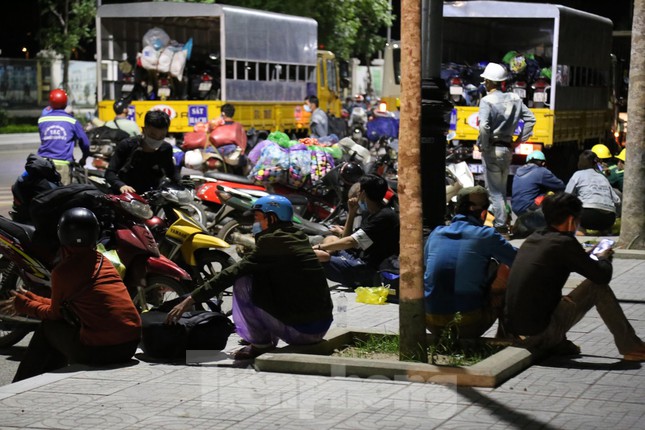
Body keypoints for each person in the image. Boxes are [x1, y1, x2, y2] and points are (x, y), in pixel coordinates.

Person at [166, 195, 333, 360]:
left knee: (243, 281)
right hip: (320, 326)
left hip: (302, 333)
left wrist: (191, 299)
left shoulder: (272, 242)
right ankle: (265, 336)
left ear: (272, 218)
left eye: (257, 218)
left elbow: (231, 273)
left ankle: (261, 345)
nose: (255, 223)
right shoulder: (296, 236)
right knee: (258, 276)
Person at [0, 207, 141, 382]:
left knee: (49, 327)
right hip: (129, 346)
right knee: (59, 328)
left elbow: (54, 313)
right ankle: (41, 380)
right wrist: (31, 298)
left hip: (105, 351)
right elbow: (65, 305)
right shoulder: (103, 262)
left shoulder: (64, 271)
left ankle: (23, 382)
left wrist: (24, 305)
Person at [504, 192, 645, 361]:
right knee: (596, 288)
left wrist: (586, 257)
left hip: (515, 332)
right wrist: (604, 258)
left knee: (565, 298)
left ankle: (558, 343)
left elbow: (562, 262)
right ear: (572, 220)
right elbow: (601, 277)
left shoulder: (534, 239)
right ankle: (632, 347)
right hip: (539, 334)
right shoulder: (564, 242)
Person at [424, 186, 517, 338]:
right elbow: (518, 261)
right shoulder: (486, 235)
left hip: (432, 322)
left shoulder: (436, 233)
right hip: (468, 324)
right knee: (505, 269)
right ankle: (506, 337)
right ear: (483, 212)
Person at [477, 62, 536, 234]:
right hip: (507, 149)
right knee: (501, 190)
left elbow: (484, 127)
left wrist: (485, 145)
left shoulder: (487, 101)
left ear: (489, 82)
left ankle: (501, 226)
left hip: (493, 149)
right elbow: (531, 120)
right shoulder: (515, 99)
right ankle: (504, 220)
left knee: (494, 191)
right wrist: (518, 141)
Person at [314, 174, 399, 288]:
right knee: (331, 239)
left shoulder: (384, 217)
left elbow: (351, 242)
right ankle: (328, 258)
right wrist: (351, 213)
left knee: (315, 254)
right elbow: (348, 240)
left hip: (367, 270)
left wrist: (320, 247)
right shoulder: (372, 213)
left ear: (363, 194)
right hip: (358, 257)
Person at [105, 110, 181, 194]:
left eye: (162, 136)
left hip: (153, 196)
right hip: (126, 197)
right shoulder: (127, 145)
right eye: (152, 135)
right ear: (144, 130)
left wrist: (182, 182)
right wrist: (121, 185)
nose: (157, 139)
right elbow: (110, 172)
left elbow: (171, 172)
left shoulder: (165, 149)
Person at [37, 89, 91, 185]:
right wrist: (84, 157)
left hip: (43, 163)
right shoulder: (72, 121)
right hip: (63, 165)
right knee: (63, 196)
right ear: (66, 103)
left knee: (45, 195)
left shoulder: (42, 120)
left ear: (50, 103)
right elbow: (85, 143)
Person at [565, 150, 620, 235]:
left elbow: (567, 196)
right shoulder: (602, 177)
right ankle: (603, 234)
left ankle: (580, 233)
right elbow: (617, 200)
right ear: (595, 163)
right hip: (608, 219)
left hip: (587, 216)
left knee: (572, 207)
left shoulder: (578, 175)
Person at [511, 150, 564, 217]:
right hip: (528, 209)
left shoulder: (518, 171)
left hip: (515, 208)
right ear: (543, 163)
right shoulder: (542, 171)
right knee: (550, 194)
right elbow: (561, 186)